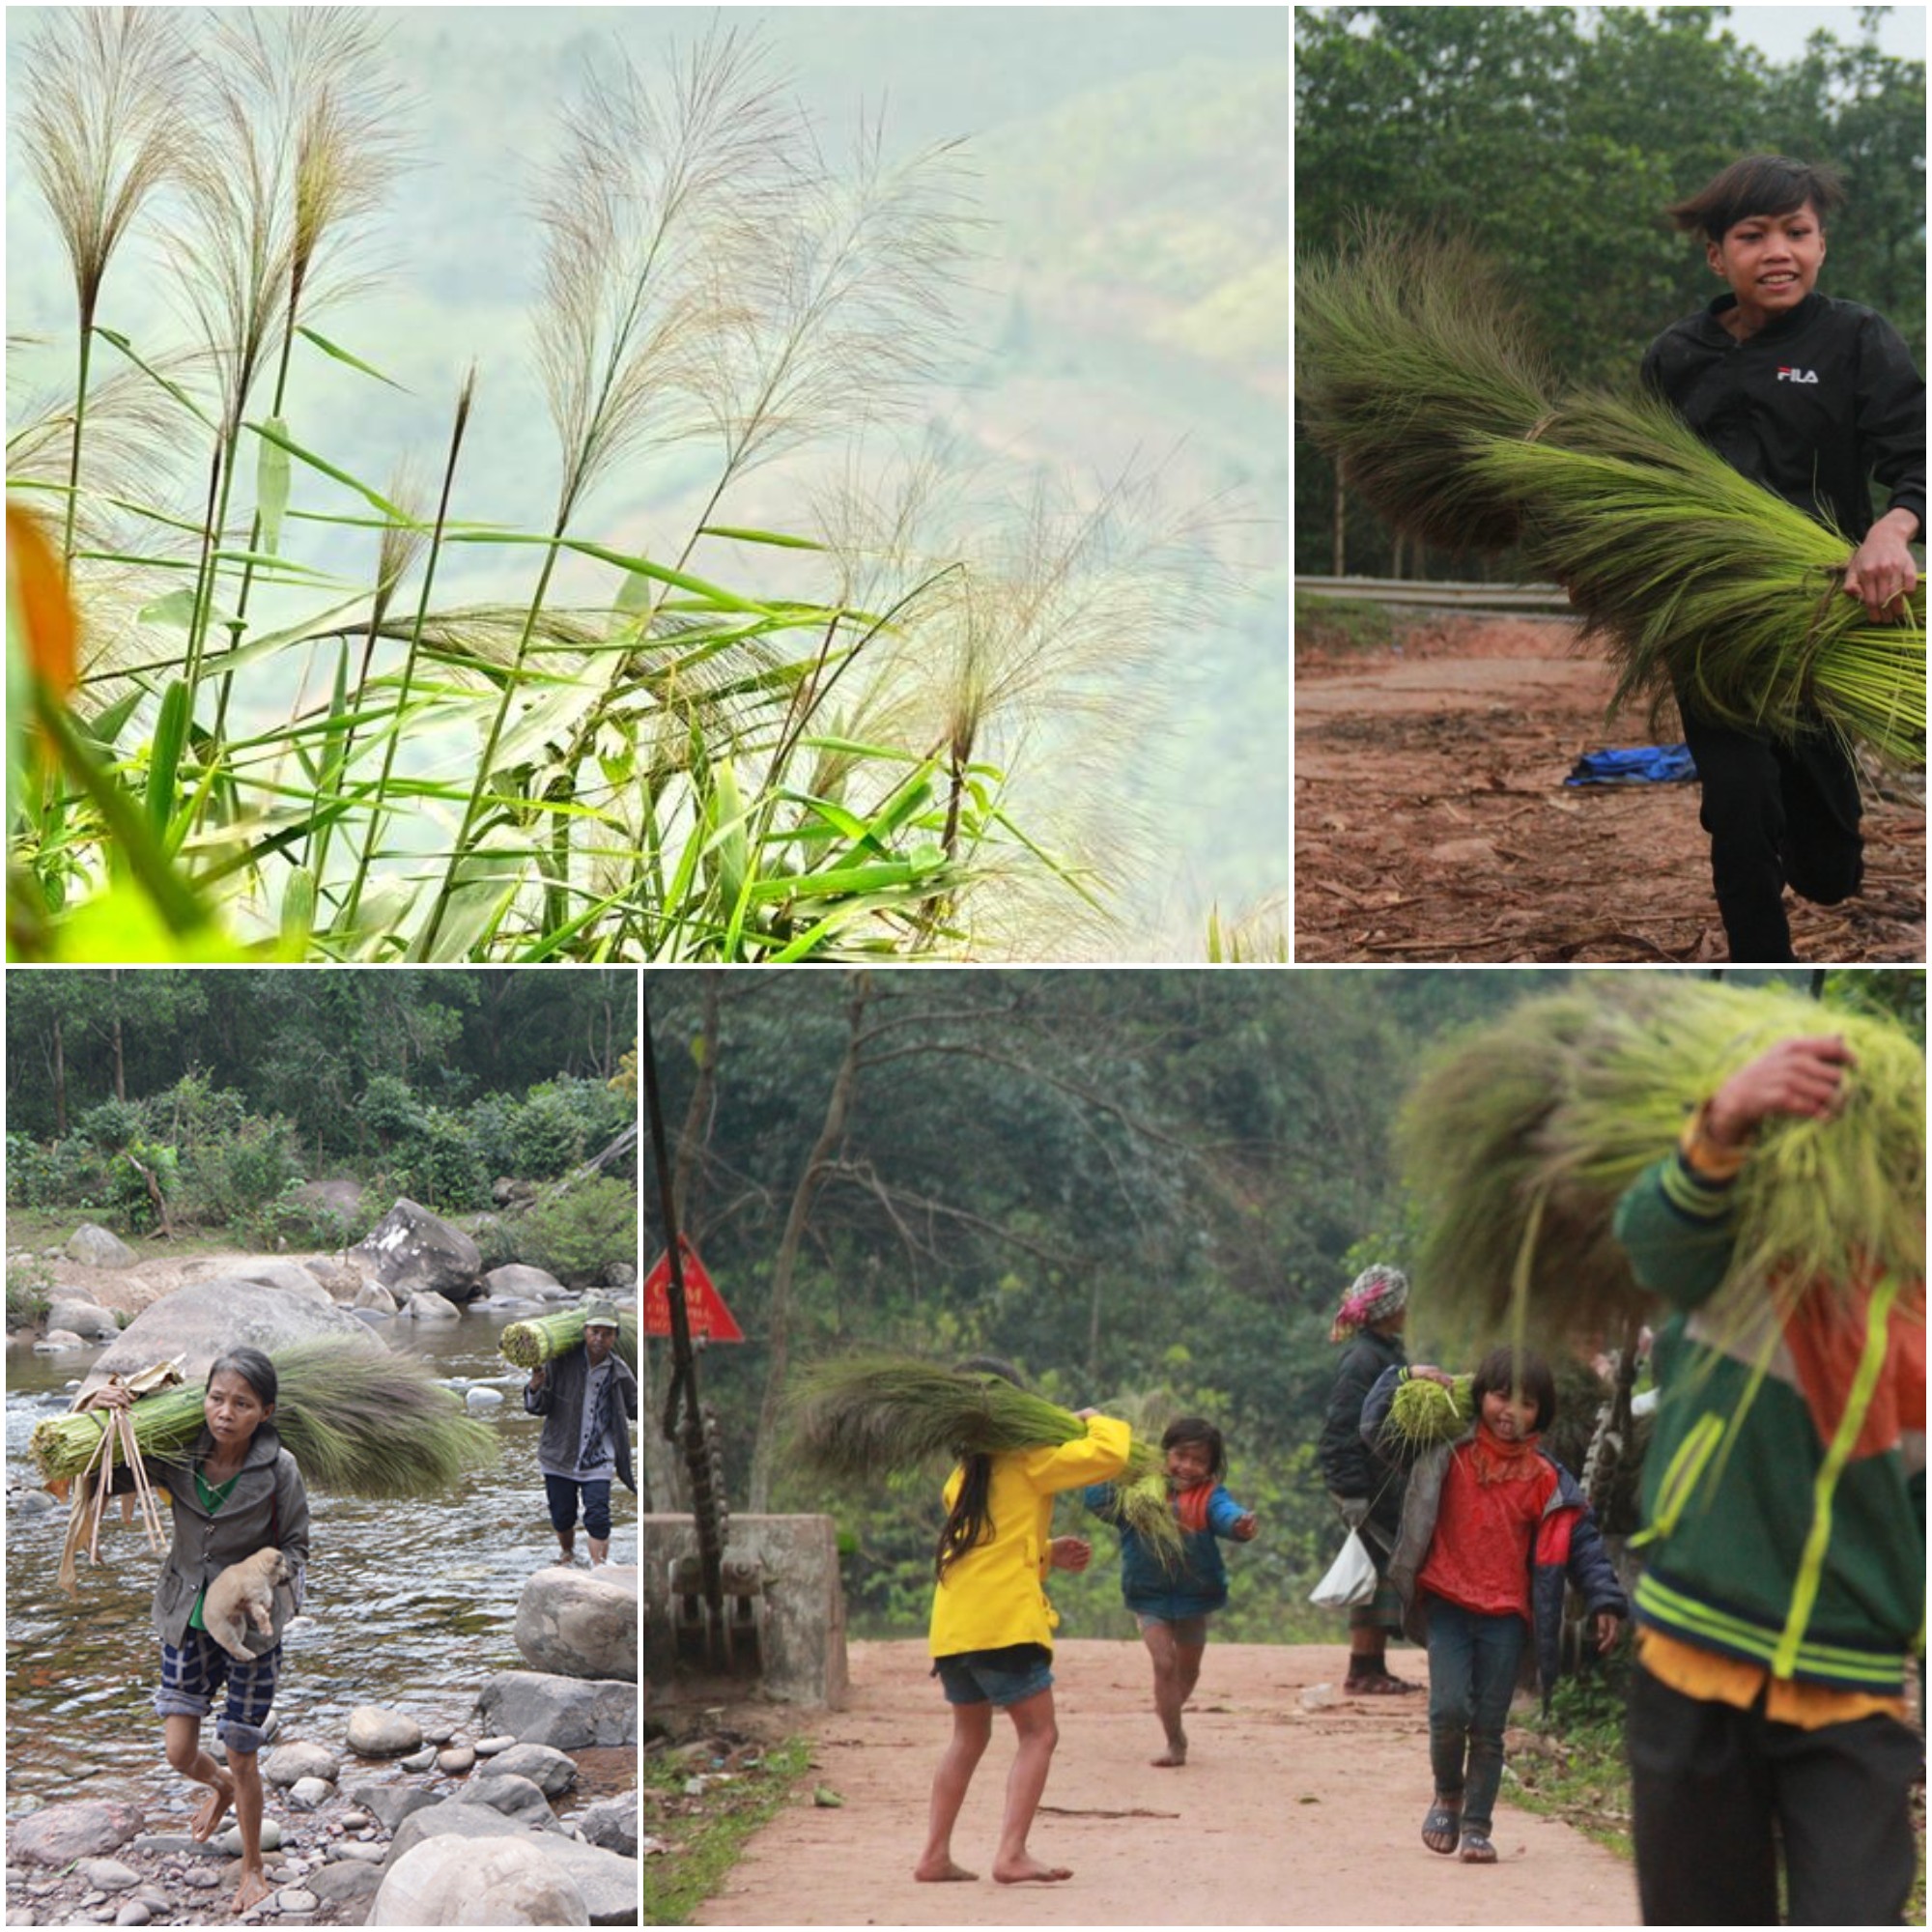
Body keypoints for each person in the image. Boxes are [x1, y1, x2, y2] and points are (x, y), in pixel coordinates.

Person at [1612, 1032, 1924, 1925]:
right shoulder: (1741, 1253)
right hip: (1692, 1662)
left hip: (1852, 1688)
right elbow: (1650, 1240)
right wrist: (1724, 1118)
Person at [1642, 154, 1925, 963]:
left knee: (1832, 870)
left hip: (1823, 624)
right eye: (1752, 235)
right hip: (1713, 624)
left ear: (1822, 246)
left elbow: (1919, 455)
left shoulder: (1855, 339)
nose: (1778, 252)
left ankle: (1817, 855)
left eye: (1796, 233)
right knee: (1736, 803)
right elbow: (1641, 484)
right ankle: (1761, 972)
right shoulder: (1675, 356)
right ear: (1714, 255)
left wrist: (1892, 530)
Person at [1362, 1346, 1627, 1865]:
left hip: (1508, 1616)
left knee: (1488, 1723)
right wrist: (1404, 1375)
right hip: (1448, 1604)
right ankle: (1448, 1794)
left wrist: (1605, 1598)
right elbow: (1374, 1429)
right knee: (1447, 1710)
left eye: (1526, 1404)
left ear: (1541, 1413)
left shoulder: (1548, 1479)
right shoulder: (1444, 1450)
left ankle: (1478, 1825)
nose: (1511, 1412)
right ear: (1479, 1396)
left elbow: (1584, 1545)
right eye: (1501, 1396)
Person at [87, 1348, 310, 1917]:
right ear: (202, 1399)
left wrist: (257, 1589)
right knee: (180, 1752)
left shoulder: (279, 1469)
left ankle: (253, 1865)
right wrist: (96, 1407)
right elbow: (93, 1474)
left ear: (266, 1411)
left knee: (241, 1753)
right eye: (216, 1399)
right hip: (185, 1618)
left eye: (242, 1403)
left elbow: (298, 1550)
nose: (225, 1413)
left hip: (249, 1635)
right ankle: (222, 1792)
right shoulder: (174, 1452)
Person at [915, 1357, 1130, 1887]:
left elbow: (993, 1540)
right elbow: (1111, 1454)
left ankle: (934, 1855)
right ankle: (1011, 1853)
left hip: (955, 1625)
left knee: (967, 1737)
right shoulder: (1032, 1459)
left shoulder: (962, 1476)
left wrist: (1046, 1552)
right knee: (1039, 1733)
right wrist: (1090, 1420)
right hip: (1003, 1624)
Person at [1083, 1415, 1258, 1766]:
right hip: (1148, 1596)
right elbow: (1098, 1500)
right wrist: (1106, 1459)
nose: (1187, 1467)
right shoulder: (1137, 1493)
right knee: (1164, 1664)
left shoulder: (1209, 1495)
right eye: (1180, 1456)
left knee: (1188, 1671)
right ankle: (1175, 1742)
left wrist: (1239, 1524)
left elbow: (1224, 1514)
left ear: (1210, 1468)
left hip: (1196, 1596)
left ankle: (1168, 1708)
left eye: (1198, 1461)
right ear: (1165, 1454)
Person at [1317, 1263, 1414, 1692]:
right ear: (1390, 1310)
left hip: (1385, 1486)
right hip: (1369, 1487)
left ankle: (1373, 1665)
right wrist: (1351, 1491)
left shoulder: (1386, 1352)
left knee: (1383, 1574)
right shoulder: (1363, 1359)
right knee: (1373, 1575)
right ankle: (1362, 1669)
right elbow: (1341, 1428)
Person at [525, 1300, 638, 1567]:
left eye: (606, 1334)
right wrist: (535, 1387)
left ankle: (600, 1568)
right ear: (584, 1332)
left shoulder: (619, 1371)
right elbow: (537, 1407)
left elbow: (635, 1408)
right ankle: (567, 1555)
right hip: (558, 1455)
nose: (599, 1339)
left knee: (598, 1516)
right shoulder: (560, 1363)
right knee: (562, 1515)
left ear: (615, 1337)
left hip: (598, 1457)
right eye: (594, 1332)